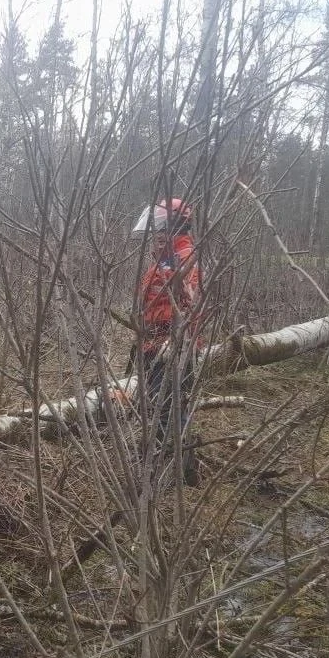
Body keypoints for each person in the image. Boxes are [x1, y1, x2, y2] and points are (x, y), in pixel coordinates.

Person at [129, 197, 202, 484]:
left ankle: (172, 467)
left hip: (173, 344)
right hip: (154, 342)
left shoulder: (185, 258)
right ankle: (171, 461)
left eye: (160, 228)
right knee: (161, 403)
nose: (155, 236)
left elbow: (186, 304)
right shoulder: (165, 258)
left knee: (166, 405)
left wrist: (169, 338)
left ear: (175, 226)